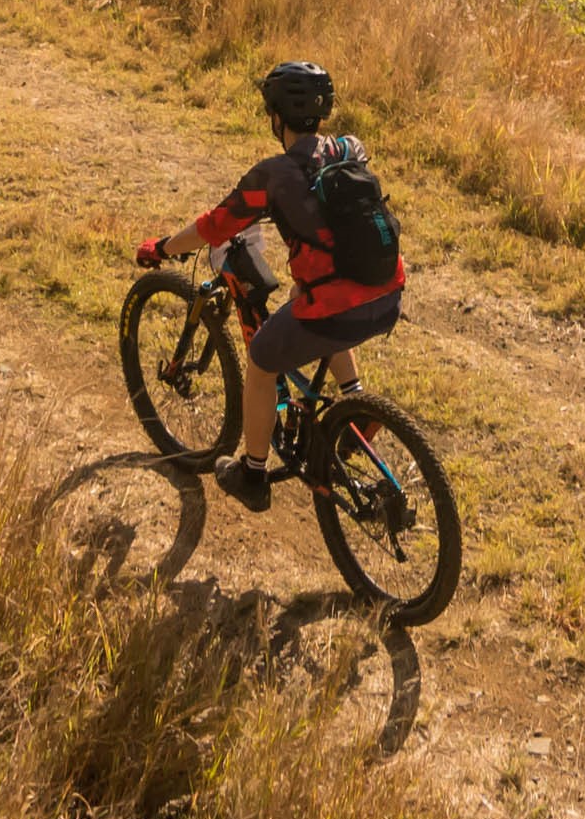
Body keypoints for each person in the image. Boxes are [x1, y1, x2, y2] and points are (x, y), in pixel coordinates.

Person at [135, 60, 403, 510]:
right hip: (388, 290)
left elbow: (215, 226)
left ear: (276, 116)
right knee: (309, 299)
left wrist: (162, 248)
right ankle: (356, 407)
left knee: (261, 359)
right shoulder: (349, 149)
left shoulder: (273, 175)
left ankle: (253, 474)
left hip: (338, 307)